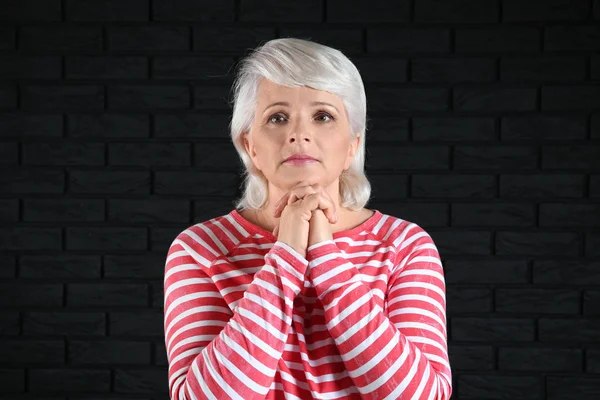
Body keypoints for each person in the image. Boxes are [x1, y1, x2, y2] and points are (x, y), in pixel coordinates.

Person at [163, 37, 452, 399]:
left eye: (323, 116)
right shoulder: (200, 248)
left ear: (352, 145)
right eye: (277, 117)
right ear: (249, 144)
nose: (299, 134)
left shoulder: (405, 246)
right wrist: (285, 256)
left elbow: (422, 396)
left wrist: (327, 259)